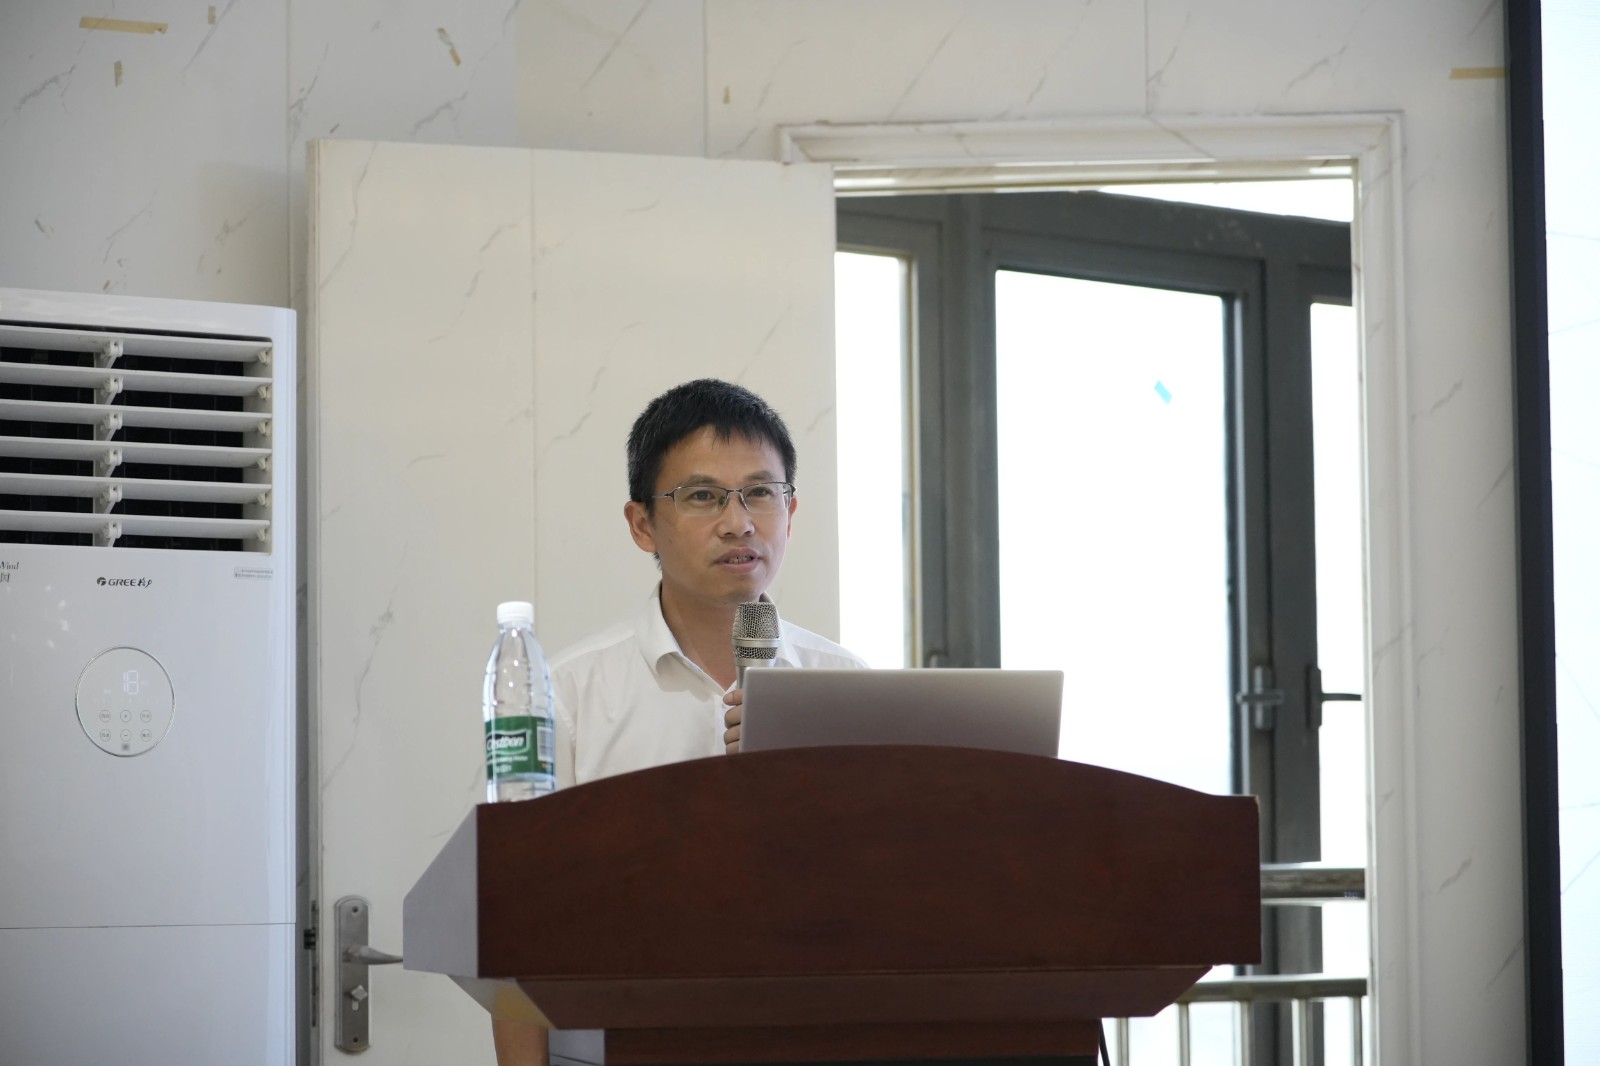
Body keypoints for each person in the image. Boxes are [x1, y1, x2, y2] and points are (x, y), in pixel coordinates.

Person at [493, 378, 866, 1066]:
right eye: (702, 496)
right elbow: (516, 926)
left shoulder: (845, 686)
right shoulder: (566, 693)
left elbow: (881, 902)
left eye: (760, 493)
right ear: (642, 525)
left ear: (790, 511)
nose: (739, 523)